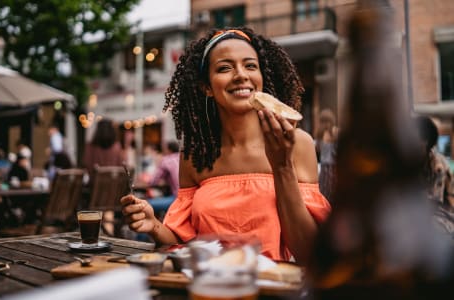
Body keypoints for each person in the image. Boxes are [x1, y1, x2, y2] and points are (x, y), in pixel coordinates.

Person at [121, 27, 331, 263]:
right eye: (224, 68)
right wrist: (153, 226)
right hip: (208, 285)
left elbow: (309, 252)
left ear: (262, 77)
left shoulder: (296, 142)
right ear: (207, 87)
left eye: (250, 65)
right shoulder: (196, 153)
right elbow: (184, 243)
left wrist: (282, 165)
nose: (241, 75)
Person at [414, 115, 454, 237]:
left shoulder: (439, 166)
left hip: (439, 217)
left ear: (427, 142)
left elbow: (440, 201)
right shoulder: (404, 163)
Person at [315, 108, 338, 202]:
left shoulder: (319, 134)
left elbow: (317, 150)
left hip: (324, 168)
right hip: (334, 167)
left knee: (324, 195)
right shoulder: (335, 132)